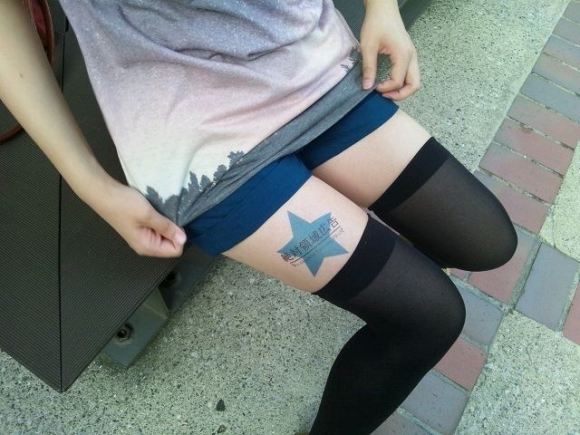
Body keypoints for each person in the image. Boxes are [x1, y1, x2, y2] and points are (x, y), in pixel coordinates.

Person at [0, 0, 517, 433]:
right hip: (194, 135)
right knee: (429, 318)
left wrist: (383, 8)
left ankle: (378, 272)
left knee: (487, 244)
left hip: (308, 60)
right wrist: (90, 184)